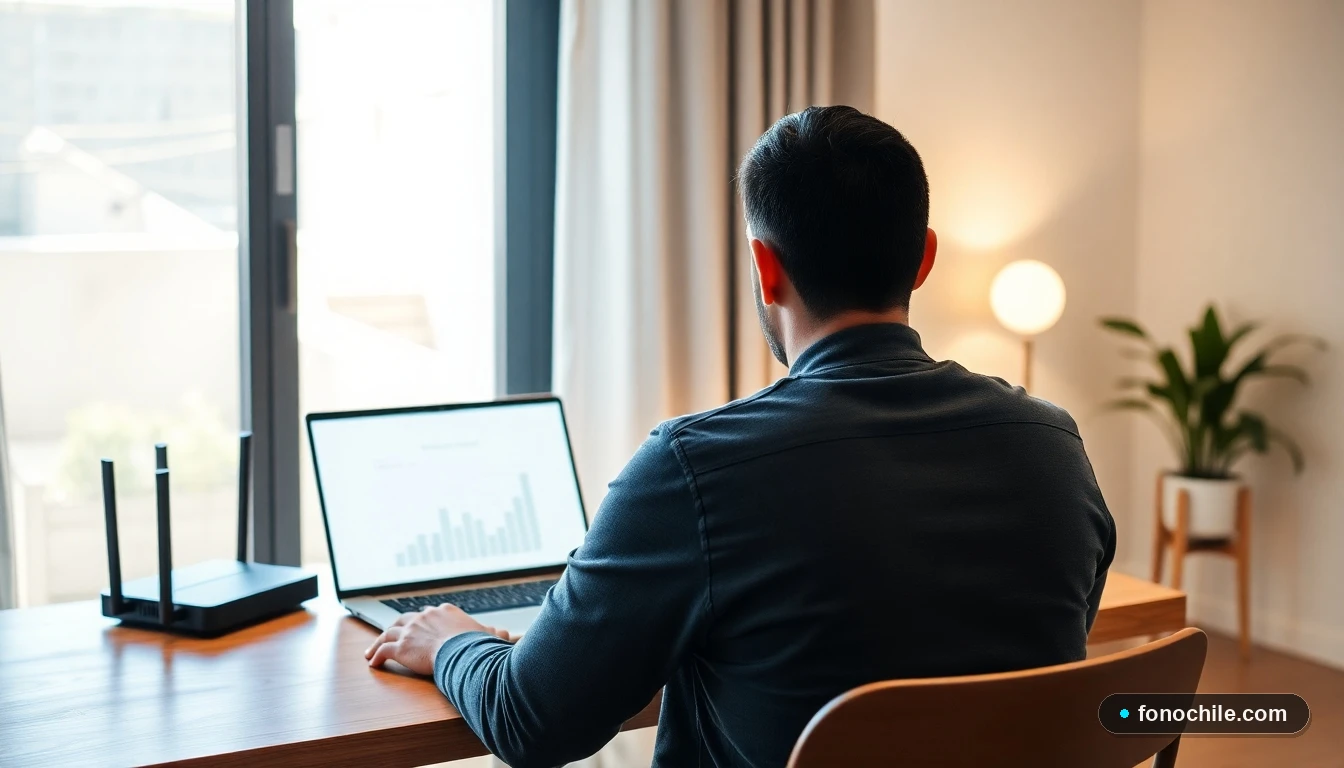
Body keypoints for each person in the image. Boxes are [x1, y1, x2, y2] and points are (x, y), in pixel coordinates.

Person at [364, 105, 1115, 768]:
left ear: (765, 267)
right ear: (923, 258)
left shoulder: (696, 471)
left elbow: (532, 723)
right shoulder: (1054, 446)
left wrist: (451, 642)